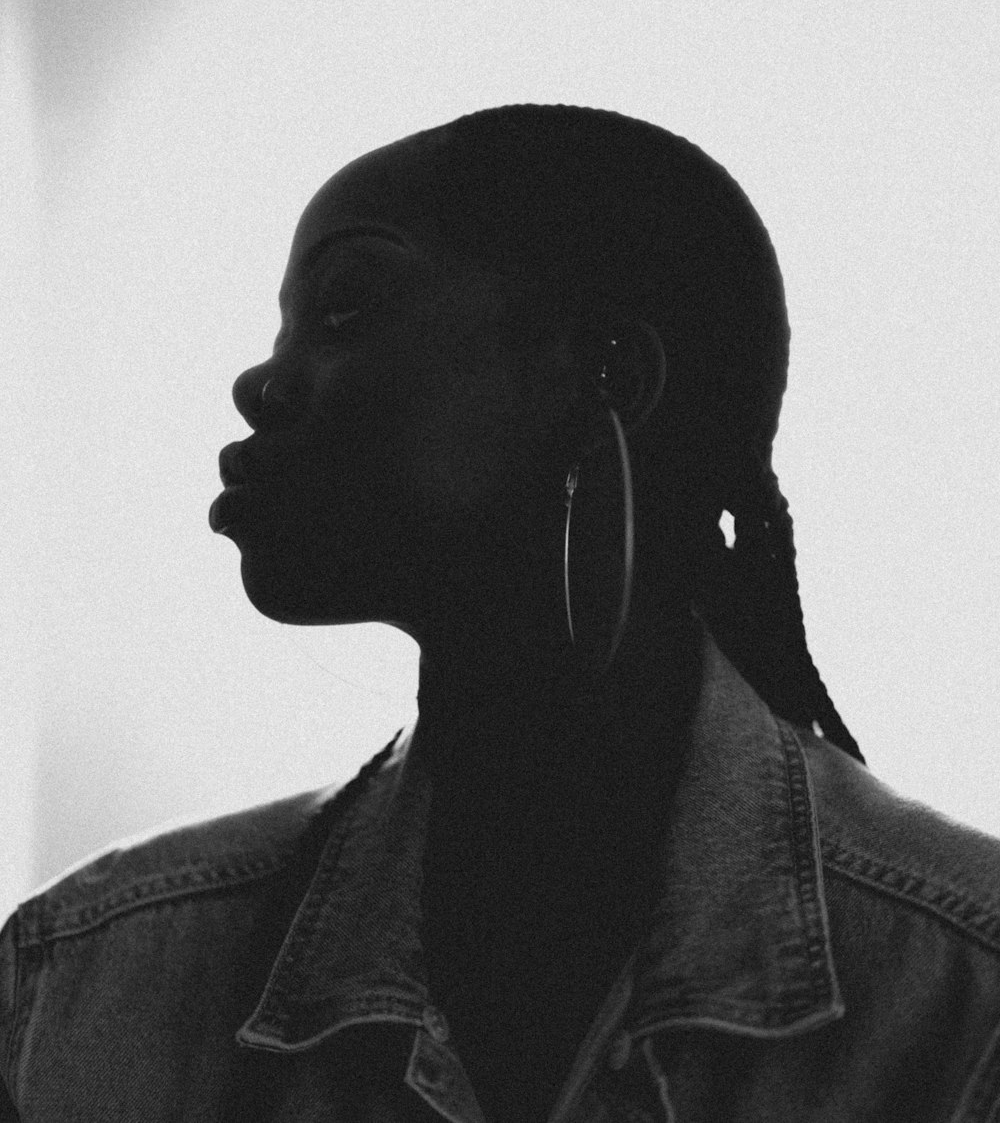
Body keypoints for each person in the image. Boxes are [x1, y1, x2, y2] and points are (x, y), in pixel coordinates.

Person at [2, 103, 1000, 1122]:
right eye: (287, 329)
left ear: (605, 371)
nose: (260, 382)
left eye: (344, 308)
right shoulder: (81, 979)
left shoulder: (966, 993)